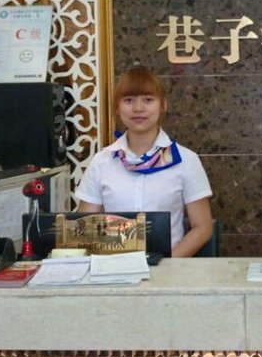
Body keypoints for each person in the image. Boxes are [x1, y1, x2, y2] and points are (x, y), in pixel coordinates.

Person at [74, 66, 213, 257]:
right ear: (117, 108)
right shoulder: (101, 162)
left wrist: (167, 264)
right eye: (128, 100)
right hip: (113, 266)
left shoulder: (185, 160)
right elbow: (83, 226)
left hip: (168, 267)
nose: (138, 108)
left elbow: (203, 227)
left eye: (148, 100)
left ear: (163, 105)